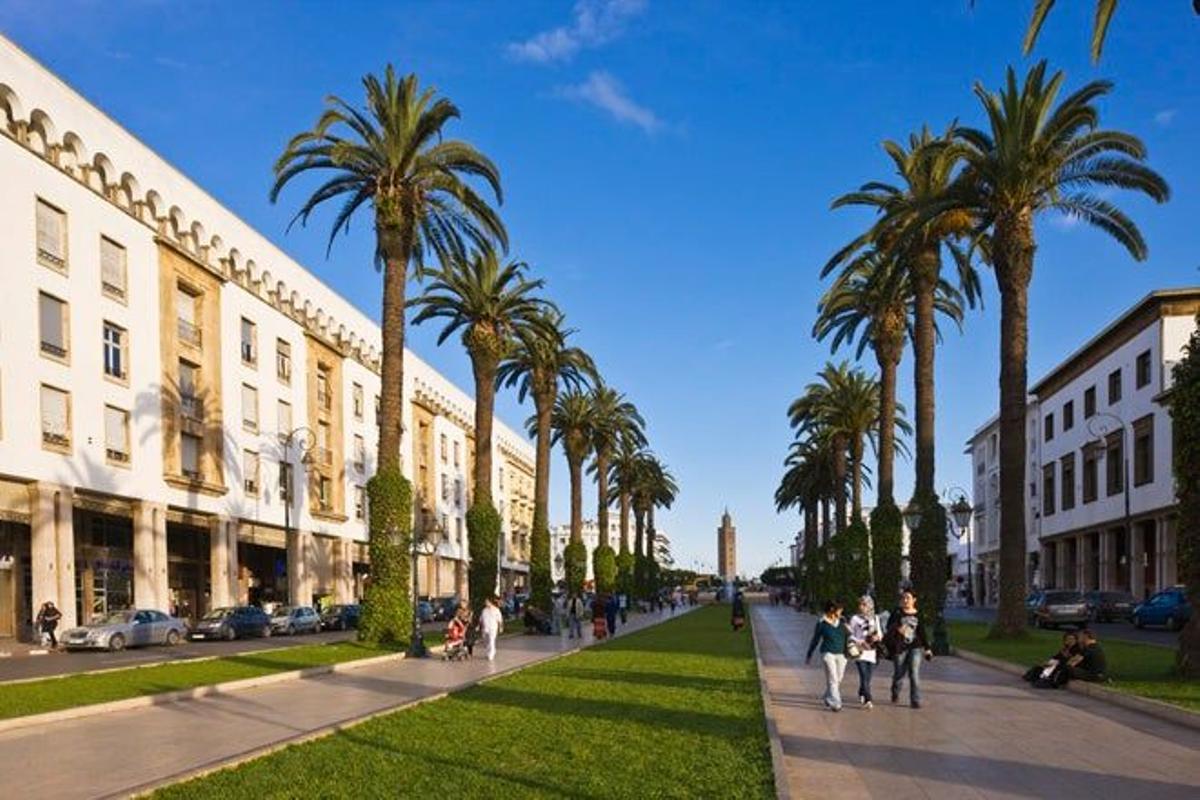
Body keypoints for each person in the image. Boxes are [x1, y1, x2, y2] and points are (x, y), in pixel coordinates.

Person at [885, 590, 932, 708]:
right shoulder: (897, 612)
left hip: (915, 647)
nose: (905, 600)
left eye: (908, 598)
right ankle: (895, 691)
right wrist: (897, 628)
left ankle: (915, 700)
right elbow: (888, 626)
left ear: (914, 600)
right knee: (899, 674)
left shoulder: (918, 614)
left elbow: (921, 631)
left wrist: (927, 648)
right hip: (899, 647)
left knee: (914, 673)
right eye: (903, 598)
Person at [805, 600, 849, 712]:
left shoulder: (842, 621)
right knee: (833, 678)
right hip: (827, 653)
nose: (841, 611)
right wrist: (809, 654)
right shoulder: (821, 623)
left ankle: (828, 696)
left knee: (839, 678)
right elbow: (815, 639)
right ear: (832, 610)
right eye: (839, 609)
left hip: (842, 654)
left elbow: (849, 636)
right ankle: (836, 703)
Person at [848, 595, 882, 708]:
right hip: (860, 651)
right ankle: (868, 699)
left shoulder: (875, 618)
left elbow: (880, 634)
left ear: (870, 606)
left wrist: (877, 637)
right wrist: (859, 641)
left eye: (864, 604)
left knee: (868, 677)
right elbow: (851, 635)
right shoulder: (854, 619)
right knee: (863, 675)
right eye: (860, 604)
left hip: (872, 652)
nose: (861, 607)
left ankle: (861, 691)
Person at [479, 596, 503, 662]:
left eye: (487, 602)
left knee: (491, 640)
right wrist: (479, 626)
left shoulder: (496, 610)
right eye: (485, 602)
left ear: (490, 602)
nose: (485, 603)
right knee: (486, 641)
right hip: (485, 628)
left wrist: (501, 627)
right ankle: (491, 650)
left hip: (493, 628)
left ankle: (491, 654)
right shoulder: (484, 610)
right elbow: (481, 619)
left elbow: (500, 620)